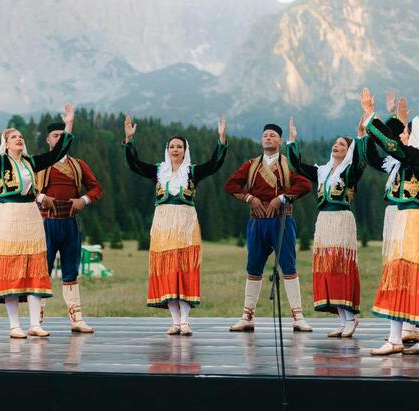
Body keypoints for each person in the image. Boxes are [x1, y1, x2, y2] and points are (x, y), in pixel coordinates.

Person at [0, 97, 74, 338]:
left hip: (30, 215)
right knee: (11, 266)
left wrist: (69, 125)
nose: (19, 138)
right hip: (9, 215)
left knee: (35, 265)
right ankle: (14, 325)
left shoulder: (31, 162)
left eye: (20, 136)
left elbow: (58, 152)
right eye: (13, 137)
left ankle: (35, 324)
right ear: (6, 144)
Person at [360, 88, 419, 355]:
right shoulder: (408, 160)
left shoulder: (417, 157)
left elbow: (392, 145)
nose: (401, 135)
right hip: (414, 220)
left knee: (401, 273)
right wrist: (388, 119)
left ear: (417, 136)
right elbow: (380, 152)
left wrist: (370, 115)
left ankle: (396, 339)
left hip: (412, 220)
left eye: (406, 131)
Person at [123, 114, 227, 335]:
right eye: (172, 146)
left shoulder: (192, 171)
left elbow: (215, 164)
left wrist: (221, 138)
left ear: (185, 149)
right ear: (167, 149)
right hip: (162, 227)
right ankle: (175, 321)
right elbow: (134, 165)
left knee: (185, 270)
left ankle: (186, 321)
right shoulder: (158, 171)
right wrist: (129, 140)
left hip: (186, 227)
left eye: (179, 146)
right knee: (168, 271)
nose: (175, 150)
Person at [224, 124, 313, 332]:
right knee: (253, 267)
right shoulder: (251, 165)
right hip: (257, 223)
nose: (268, 138)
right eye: (265, 135)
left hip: (282, 221)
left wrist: (282, 198)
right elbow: (231, 185)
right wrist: (249, 197)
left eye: (272, 135)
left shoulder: (287, 164)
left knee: (289, 267)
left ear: (280, 141)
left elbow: (305, 185)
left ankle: (298, 317)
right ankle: (247, 316)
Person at [287, 117, 366, 338]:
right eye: (335, 143)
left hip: (341, 219)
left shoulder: (350, 172)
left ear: (348, 151)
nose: (336, 145)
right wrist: (292, 141)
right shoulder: (323, 171)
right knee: (328, 267)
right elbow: (298, 166)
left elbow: (360, 161)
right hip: (324, 221)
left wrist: (359, 137)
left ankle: (350, 317)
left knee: (341, 266)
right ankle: (342, 320)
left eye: (342, 144)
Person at [34, 117, 104, 333]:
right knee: (41, 272)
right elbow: (24, 189)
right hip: (46, 223)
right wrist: (40, 198)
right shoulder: (37, 163)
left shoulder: (78, 165)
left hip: (70, 224)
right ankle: (36, 320)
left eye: (63, 136)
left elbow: (96, 189)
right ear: (48, 140)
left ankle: (77, 319)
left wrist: (83, 200)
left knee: (71, 272)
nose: (59, 139)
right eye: (55, 136)